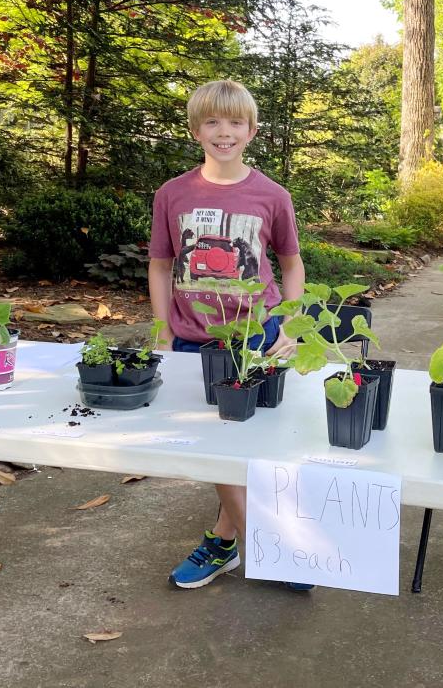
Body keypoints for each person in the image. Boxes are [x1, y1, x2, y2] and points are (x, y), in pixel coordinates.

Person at [147, 79, 310, 590]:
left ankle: (224, 542)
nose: (224, 132)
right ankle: (270, 545)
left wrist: (291, 321)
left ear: (252, 130)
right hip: (195, 341)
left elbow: (291, 262)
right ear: (196, 129)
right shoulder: (172, 194)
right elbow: (159, 265)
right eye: (213, 122)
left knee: (247, 447)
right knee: (216, 448)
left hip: (256, 340)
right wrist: (161, 330)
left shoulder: (272, 195)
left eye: (235, 122)